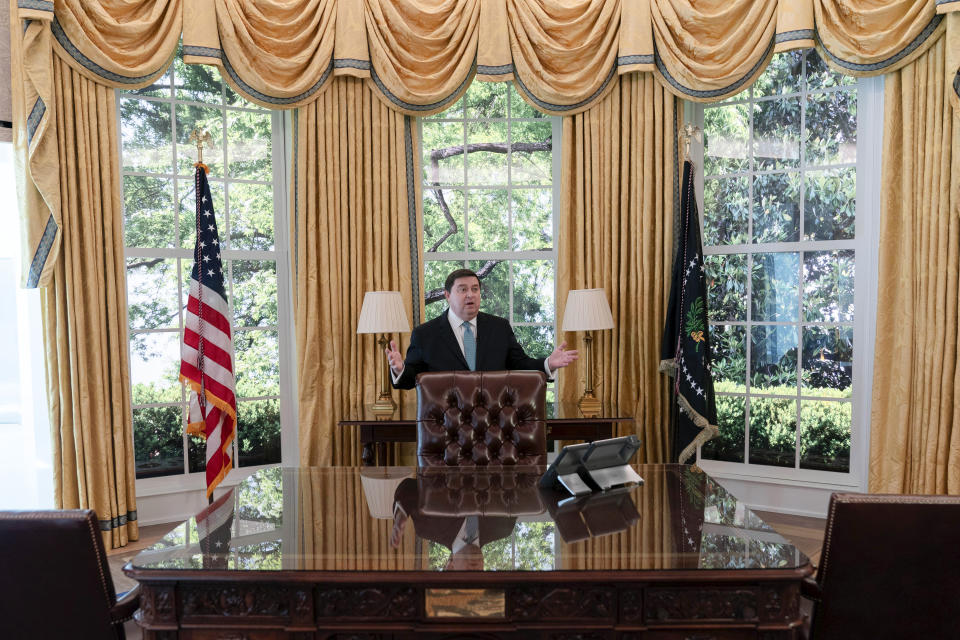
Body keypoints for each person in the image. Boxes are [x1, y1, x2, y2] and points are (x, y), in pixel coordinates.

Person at [386, 268, 578, 390]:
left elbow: (521, 365)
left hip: (494, 420)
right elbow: (410, 379)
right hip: (447, 424)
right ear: (447, 295)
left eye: (475, 289)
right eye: (462, 289)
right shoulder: (425, 334)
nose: (470, 294)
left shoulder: (499, 328)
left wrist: (548, 364)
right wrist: (400, 369)